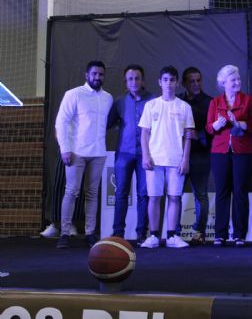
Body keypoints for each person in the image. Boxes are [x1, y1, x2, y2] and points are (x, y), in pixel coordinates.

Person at [55, 60, 113, 248]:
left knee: (93, 193)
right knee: (71, 191)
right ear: (86, 75)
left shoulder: (108, 98)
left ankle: (89, 233)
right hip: (76, 151)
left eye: (101, 74)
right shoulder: (74, 94)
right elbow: (61, 122)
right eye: (94, 74)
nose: (98, 77)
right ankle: (64, 234)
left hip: (98, 152)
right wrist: (65, 148)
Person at [138, 66, 194, 249]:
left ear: (177, 83)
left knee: (174, 197)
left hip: (176, 159)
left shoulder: (184, 107)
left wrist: (185, 159)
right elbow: (144, 133)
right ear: (159, 82)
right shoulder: (151, 105)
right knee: (154, 197)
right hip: (154, 160)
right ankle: (153, 235)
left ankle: (171, 236)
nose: (168, 83)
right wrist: (146, 155)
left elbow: (188, 136)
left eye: (172, 80)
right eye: (165, 79)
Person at [206, 65, 252, 247]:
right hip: (219, 151)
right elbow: (208, 128)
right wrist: (217, 126)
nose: (238, 82)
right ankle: (220, 234)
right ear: (223, 83)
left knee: (240, 191)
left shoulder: (248, 100)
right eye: (233, 79)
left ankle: (239, 234)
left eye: (238, 79)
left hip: (243, 150)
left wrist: (241, 123)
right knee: (221, 191)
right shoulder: (215, 102)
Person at [108, 64, 153, 245]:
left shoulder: (153, 100)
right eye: (130, 79)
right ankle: (118, 233)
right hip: (124, 154)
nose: (134, 81)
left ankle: (142, 234)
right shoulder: (119, 101)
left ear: (143, 80)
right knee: (121, 194)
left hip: (146, 154)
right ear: (125, 82)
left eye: (137, 78)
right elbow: (108, 124)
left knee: (144, 194)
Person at [178, 67, 213, 246]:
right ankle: (174, 233)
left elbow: (215, 131)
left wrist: (199, 136)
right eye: (191, 81)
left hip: (200, 154)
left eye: (198, 80)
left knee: (201, 195)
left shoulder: (210, 102)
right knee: (174, 194)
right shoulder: (176, 101)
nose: (196, 84)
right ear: (184, 83)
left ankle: (199, 232)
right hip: (177, 155)